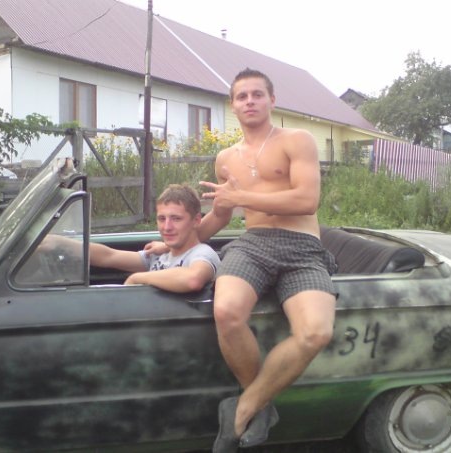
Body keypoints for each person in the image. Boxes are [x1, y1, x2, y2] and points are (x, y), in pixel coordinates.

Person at [198, 68, 337, 452]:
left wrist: (242, 198)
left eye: (257, 94)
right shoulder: (225, 158)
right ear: (233, 105)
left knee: (316, 332)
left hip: (302, 248)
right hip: (253, 245)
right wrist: (179, 243)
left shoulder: (297, 140)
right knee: (226, 311)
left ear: (272, 100)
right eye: (242, 96)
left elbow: (306, 200)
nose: (250, 102)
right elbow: (221, 215)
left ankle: (244, 407)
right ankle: (260, 406)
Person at [42, 184, 220, 293]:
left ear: (196, 220)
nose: (167, 227)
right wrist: (57, 243)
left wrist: (138, 278)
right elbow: (108, 256)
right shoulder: (160, 255)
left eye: (176, 219)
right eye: (161, 219)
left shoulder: (202, 254)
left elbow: (193, 279)